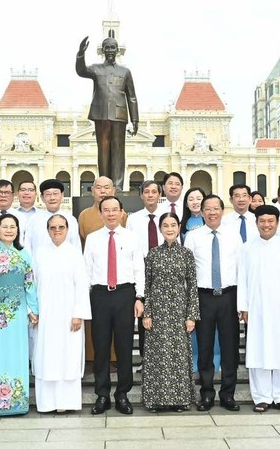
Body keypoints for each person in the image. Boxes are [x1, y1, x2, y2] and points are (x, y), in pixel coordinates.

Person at [84, 196, 144, 415]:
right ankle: (102, 395)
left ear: (121, 212)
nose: (110, 214)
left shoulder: (131, 237)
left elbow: (139, 267)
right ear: (100, 213)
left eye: (114, 210)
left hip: (125, 294)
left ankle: (122, 394)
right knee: (100, 347)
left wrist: (140, 297)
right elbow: (86, 270)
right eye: (106, 210)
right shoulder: (92, 239)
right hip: (99, 295)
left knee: (124, 346)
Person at [239, 205, 280, 413]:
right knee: (258, 351)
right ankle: (262, 397)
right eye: (262, 221)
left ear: (277, 223)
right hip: (256, 308)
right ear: (256, 223)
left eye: (270, 221)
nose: (266, 225)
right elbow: (243, 279)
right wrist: (244, 307)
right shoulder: (247, 248)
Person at [0, 213, 38, 417]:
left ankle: (17, 403)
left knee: (17, 355)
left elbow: (29, 284)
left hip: (18, 313)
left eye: (13, 227)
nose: (9, 230)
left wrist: (33, 310)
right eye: (5, 226)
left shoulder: (23, 255)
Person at [186, 195, 241, 412]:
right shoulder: (193, 237)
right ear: (202, 211)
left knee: (230, 348)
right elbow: (189, 274)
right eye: (207, 209)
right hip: (203, 296)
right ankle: (206, 393)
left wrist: (241, 303)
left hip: (229, 295)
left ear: (222, 210)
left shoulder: (234, 236)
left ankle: (228, 394)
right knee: (205, 347)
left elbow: (240, 269)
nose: (212, 212)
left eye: (215, 208)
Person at [142, 212, 199, 412]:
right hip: (157, 311)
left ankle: (180, 399)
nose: (169, 229)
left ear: (178, 227)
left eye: (173, 225)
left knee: (179, 355)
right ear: (160, 229)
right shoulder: (152, 254)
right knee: (157, 355)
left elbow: (192, 286)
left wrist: (191, 315)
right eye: (165, 225)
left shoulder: (186, 254)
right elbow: (146, 285)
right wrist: (147, 313)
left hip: (179, 310)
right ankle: (155, 400)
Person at [33, 214, 90, 413]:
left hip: (69, 315)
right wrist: (33, 311)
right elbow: (31, 285)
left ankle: (67, 403)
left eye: (61, 227)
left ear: (67, 229)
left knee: (69, 356)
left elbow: (82, 285)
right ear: (47, 230)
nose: (57, 231)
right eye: (53, 227)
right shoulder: (38, 253)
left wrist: (78, 314)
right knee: (46, 355)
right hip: (45, 315)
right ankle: (47, 403)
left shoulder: (75, 253)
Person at [75, 34, 140, 190]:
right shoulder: (96, 69)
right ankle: (104, 185)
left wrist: (135, 120)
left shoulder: (125, 71)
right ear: (103, 50)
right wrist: (80, 54)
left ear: (117, 50)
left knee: (118, 150)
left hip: (120, 115)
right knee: (103, 150)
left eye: (112, 47)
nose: (110, 50)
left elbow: (132, 97)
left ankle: (117, 186)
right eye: (107, 47)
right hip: (101, 114)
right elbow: (81, 71)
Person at [126, 180, 164, 362]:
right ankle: (145, 359)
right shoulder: (133, 219)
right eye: (146, 192)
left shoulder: (168, 215)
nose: (150, 195)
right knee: (144, 318)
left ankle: (162, 359)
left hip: (164, 271)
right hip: (142, 272)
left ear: (159, 195)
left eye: (153, 192)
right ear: (141, 195)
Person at [78, 176, 127, 245]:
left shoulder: (122, 215)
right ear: (92, 191)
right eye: (98, 188)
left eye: (106, 188)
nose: (102, 191)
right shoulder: (84, 216)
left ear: (113, 191)